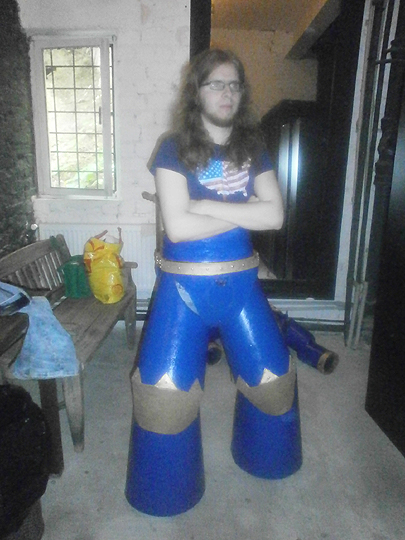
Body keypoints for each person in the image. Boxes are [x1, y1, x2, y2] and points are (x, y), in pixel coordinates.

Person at [125, 48, 302, 517]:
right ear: (196, 91)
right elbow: (179, 229)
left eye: (234, 84)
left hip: (242, 289)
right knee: (163, 406)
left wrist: (205, 206)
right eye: (215, 84)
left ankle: (264, 459)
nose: (226, 92)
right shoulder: (173, 146)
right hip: (182, 293)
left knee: (274, 390)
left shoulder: (254, 146)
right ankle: (166, 495)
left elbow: (276, 217)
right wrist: (244, 212)